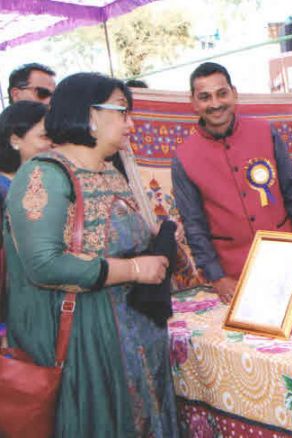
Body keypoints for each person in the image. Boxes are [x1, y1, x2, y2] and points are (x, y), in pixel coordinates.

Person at [3, 72, 178, 436]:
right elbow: (44, 264)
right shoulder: (44, 175)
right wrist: (134, 269)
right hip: (86, 344)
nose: (130, 124)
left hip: (134, 338)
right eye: (122, 111)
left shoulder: (110, 172)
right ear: (89, 114)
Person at [172, 62, 292, 303]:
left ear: (234, 94)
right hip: (234, 274)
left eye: (222, 93)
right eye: (205, 97)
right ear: (193, 103)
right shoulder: (183, 157)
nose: (215, 104)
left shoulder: (265, 131)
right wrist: (217, 277)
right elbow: (194, 225)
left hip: (286, 259)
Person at [0, 101, 51, 325]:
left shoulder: (37, 184)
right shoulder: (4, 191)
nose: (51, 144)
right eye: (44, 136)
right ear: (15, 140)